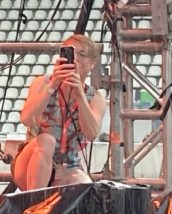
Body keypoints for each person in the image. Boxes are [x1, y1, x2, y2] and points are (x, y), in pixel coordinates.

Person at [10, 33, 108, 191]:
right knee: (47, 141)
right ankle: (35, 206)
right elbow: (27, 119)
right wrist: (53, 85)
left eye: (82, 54)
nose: (75, 58)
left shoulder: (96, 97)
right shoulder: (43, 82)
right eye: (70, 52)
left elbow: (91, 133)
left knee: (85, 188)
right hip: (32, 161)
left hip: (68, 166)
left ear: (92, 63)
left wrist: (80, 95)